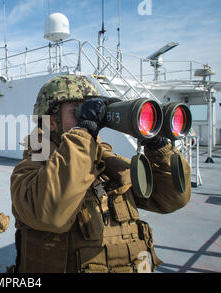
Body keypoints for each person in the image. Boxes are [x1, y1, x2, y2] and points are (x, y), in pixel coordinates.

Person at [10, 75, 191, 273]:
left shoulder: (107, 163)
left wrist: (157, 148)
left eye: (91, 109)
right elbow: (51, 214)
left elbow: (171, 199)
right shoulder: (31, 168)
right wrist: (84, 131)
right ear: (51, 123)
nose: (92, 115)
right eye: (78, 111)